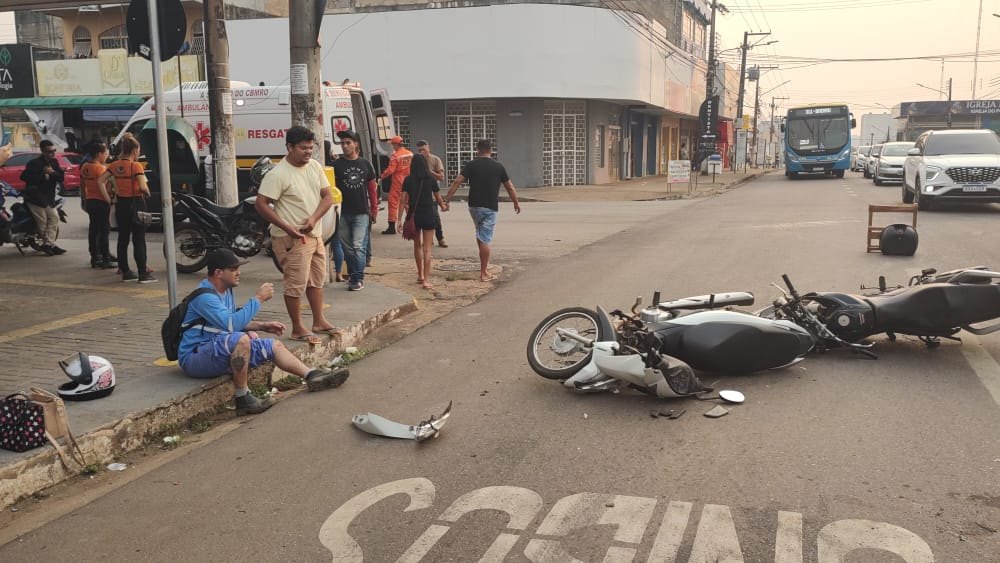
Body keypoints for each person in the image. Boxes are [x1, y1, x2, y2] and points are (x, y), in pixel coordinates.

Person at [178, 249, 349, 415]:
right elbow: (231, 324)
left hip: (216, 348)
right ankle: (242, 398)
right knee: (242, 340)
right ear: (218, 273)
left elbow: (228, 323)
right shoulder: (205, 297)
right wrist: (258, 298)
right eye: (233, 269)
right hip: (195, 356)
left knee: (272, 345)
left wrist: (262, 326)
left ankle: (312, 376)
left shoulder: (226, 290)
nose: (238, 273)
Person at [255, 126, 342, 345]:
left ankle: (319, 320)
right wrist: (286, 227)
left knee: (316, 280)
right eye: (303, 148)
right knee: (295, 283)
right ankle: (297, 327)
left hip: (314, 234)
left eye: (310, 148)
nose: (308, 152)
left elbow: (328, 197)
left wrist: (313, 219)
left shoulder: (314, 166)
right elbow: (261, 204)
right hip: (291, 238)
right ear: (289, 147)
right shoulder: (278, 174)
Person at [443, 140, 521, 282]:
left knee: (480, 234)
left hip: (474, 206)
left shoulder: (472, 164)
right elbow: (510, 187)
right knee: (485, 239)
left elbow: (457, 182)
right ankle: (484, 272)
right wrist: (515, 202)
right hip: (490, 207)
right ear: (491, 151)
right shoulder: (498, 166)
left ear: (478, 150)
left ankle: (484, 265)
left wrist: (447, 199)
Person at [102, 133, 155, 283]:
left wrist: (109, 198)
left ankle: (125, 271)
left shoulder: (113, 165)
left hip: (121, 204)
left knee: (123, 238)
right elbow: (144, 187)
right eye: (138, 150)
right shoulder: (135, 166)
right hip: (136, 203)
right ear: (134, 150)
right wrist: (148, 192)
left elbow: (100, 181)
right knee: (139, 239)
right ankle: (143, 273)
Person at [333, 129, 378, 292]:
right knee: (347, 248)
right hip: (342, 213)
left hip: (361, 213)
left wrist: (374, 209)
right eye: (342, 143)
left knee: (359, 246)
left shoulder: (365, 164)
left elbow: (372, 189)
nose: (344, 146)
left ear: (356, 144)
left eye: (348, 143)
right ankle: (353, 274)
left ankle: (358, 278)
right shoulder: (336, 166)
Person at [401, 154, 447, 289]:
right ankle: (426, 280)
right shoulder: (431, 179)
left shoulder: (408, 180)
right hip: (428, 213)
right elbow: (438, 198)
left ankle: (420, 275)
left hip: (414, 216)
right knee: (427, 249)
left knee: (417, 246)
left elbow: (403, 200)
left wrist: (398, 219)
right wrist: (443, 206)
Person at [19, 140, 66, 256]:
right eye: (49, 152)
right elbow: (24, 177)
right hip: (35, 197)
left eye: (54, 151)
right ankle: (48, 244)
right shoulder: (34, 163)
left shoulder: (54, 162)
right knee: (42, 222)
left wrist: (52, 173)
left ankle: (48, 244)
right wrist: (42, 173)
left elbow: (60, 178)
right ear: (43, 151)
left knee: (54, 218)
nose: (52, 154)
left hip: (48, 197)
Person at [80, 141, 116, 269]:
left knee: (93, 230)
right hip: (101, 201)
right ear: (99, 154)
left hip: (90, 201)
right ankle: (105, 258)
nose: (106, 155)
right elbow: (105, 187)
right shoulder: (101, 169)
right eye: (105, 153)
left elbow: (82, 185)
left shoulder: (85, 166)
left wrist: (84, 200)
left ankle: (95, 257)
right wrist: (109, 200)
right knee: (104, 231)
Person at [415, 140, 448, 248]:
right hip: (420, 195)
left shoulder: (435, 159)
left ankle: (440, 238)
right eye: (419, 150)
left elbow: (441, 177)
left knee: (435, 218)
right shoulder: (417, 162)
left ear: (428, 148)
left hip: (433, 195)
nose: (422, 152)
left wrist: (430, 172)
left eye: (423, 149)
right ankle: (428, 239)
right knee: (424, 219)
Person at [378, 135, 412, 235]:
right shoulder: (410, 154)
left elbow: (390, 170)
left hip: (398, 182)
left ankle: (391, 227)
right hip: (409, 181)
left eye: (393, 144)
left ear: (396, 144)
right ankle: (412, 224)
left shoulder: (395, 156)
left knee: (393, 203)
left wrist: (381, 176)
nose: (392, 146)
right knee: (407, 203)